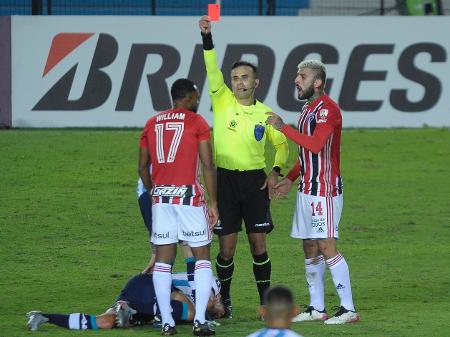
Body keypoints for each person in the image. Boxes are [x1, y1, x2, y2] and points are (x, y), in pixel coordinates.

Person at [198, 16, 289, 317]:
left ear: (256, 82)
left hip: (254, 183)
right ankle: (224, 301)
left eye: (244, 77)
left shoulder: (266, 114)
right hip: (223, 181)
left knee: (258, 242)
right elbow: (212, 68)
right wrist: (207, 39)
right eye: (235, 77)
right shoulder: (221, 99)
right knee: (226, 248)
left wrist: (275, 171)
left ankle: (265, 304)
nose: (239, 82)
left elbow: (282, 145)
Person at [265, 60, 359, 325]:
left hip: (325, 190)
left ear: (317, 82)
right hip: (307, 188)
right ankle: (317, 308)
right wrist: (290, 179)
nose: (297, 80)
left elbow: (317, 145)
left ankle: (348, 309)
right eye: (297, 75)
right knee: (309, 246)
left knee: (326, 245)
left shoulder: (328, 110)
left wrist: (283, 128)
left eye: (302, 76)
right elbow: (305, 152)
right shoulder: (307, 110)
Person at [139, 78, 218, 336]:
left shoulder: (151, 123)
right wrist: (213, 202)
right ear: (190, 97)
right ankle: (200, 321)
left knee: (163, 263)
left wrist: (155, 192)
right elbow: (208, 165)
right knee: (202, 257)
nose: (198, 100)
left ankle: (166, 323)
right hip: (189, 199)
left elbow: (142, 167)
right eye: (197, 96)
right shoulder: (197, 123)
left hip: (161, 200)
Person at [26, 272, 224, 331]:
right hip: (154, 286)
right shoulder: (211, 284)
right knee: (191, 313)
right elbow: (203, 304)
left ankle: (43, 317)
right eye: (220, 303)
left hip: (137, 289)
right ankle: (134, 313)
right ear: (215, 296)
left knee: (105, 322)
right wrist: (207, 312)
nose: (221, 307)